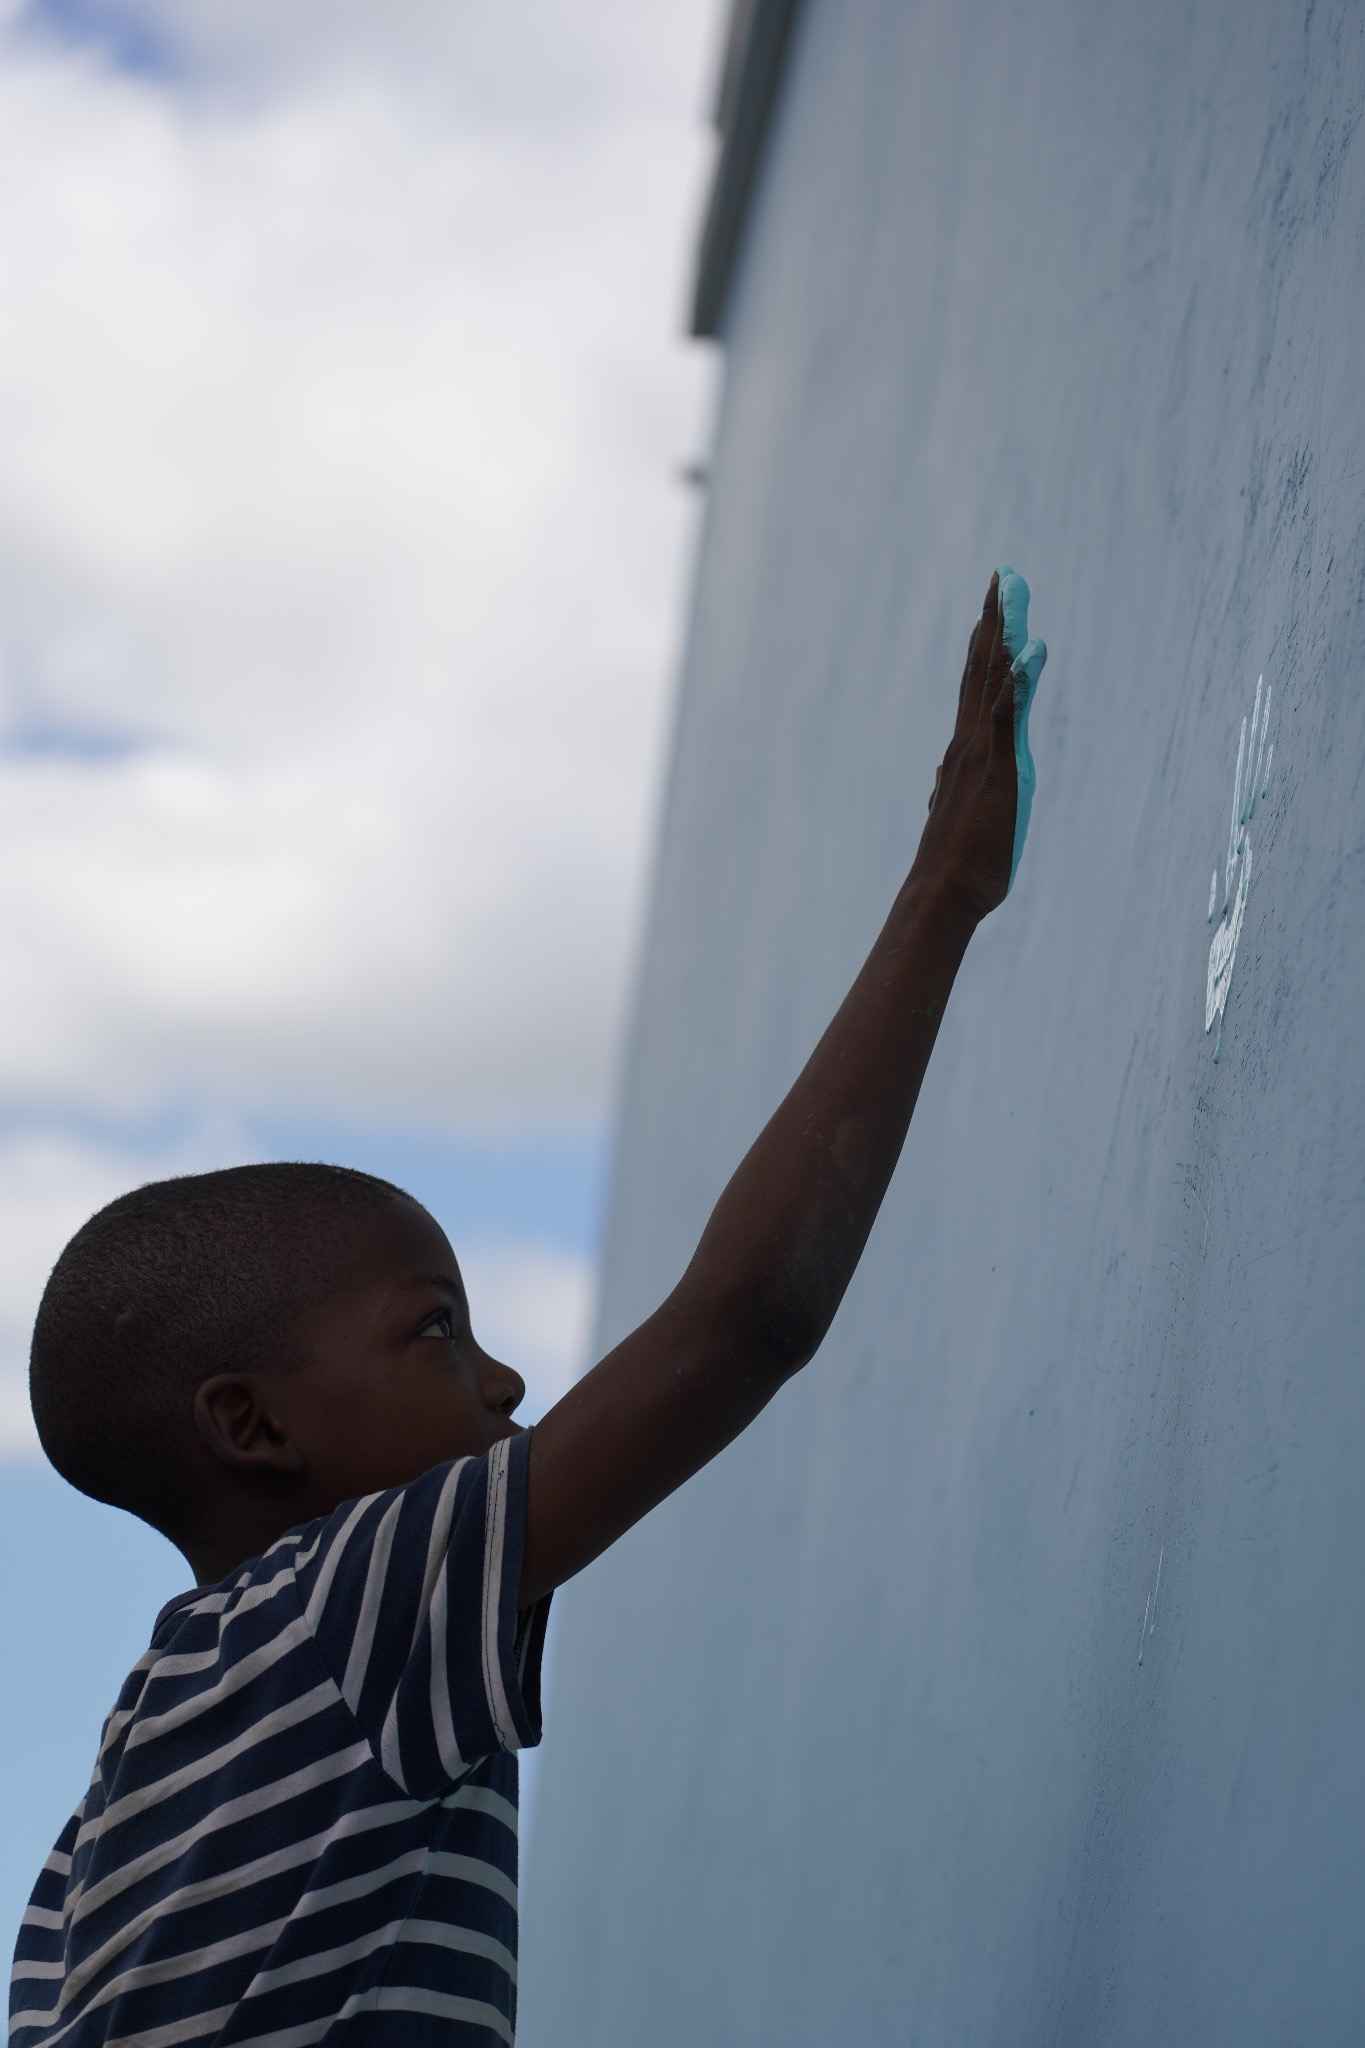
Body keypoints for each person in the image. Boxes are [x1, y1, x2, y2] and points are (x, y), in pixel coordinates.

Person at [11, 567, 1046, 2046]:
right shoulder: (338, 1618)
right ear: (251, 1426)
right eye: (433, 1330)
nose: (501, 1386)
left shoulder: (114, 1806)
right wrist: (943, 894)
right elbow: (741, 1321)